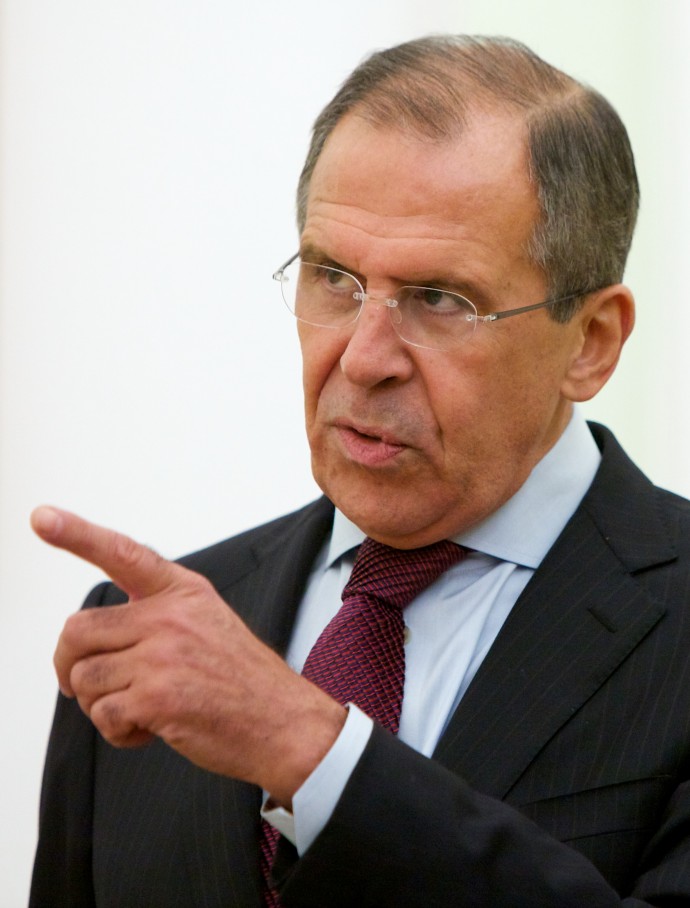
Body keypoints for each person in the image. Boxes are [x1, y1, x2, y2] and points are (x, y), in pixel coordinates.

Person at [28, 34, 690, 908]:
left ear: (592, 343)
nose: (364, 357)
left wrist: (313, 754)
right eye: (332, 277)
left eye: (441, 300)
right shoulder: (147, 634)